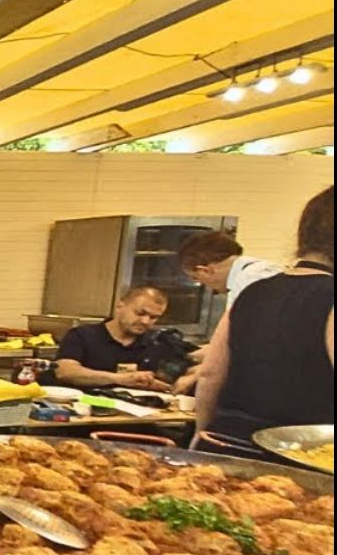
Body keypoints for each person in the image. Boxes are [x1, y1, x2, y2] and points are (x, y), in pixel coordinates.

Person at [196, 186, 334, 441]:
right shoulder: (329, 296)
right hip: (296, 453)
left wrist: (200, 434)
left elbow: (210, 374)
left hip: (226, 439)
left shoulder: (254, 291)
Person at [53, 286, 175, 391]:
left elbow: (184, 366)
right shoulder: (82, 335)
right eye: (140, 313)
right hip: (87, 409)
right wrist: (121, 379)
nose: (145, 321)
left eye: (153, 317)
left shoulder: (157, 342)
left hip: (139, 413)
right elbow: (65, 372)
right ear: (120, 306)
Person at [178, 230, 282, 307]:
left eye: (196, 277)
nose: (201, 283)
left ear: (205, 270)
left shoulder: (246, 281)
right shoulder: (265, 270)